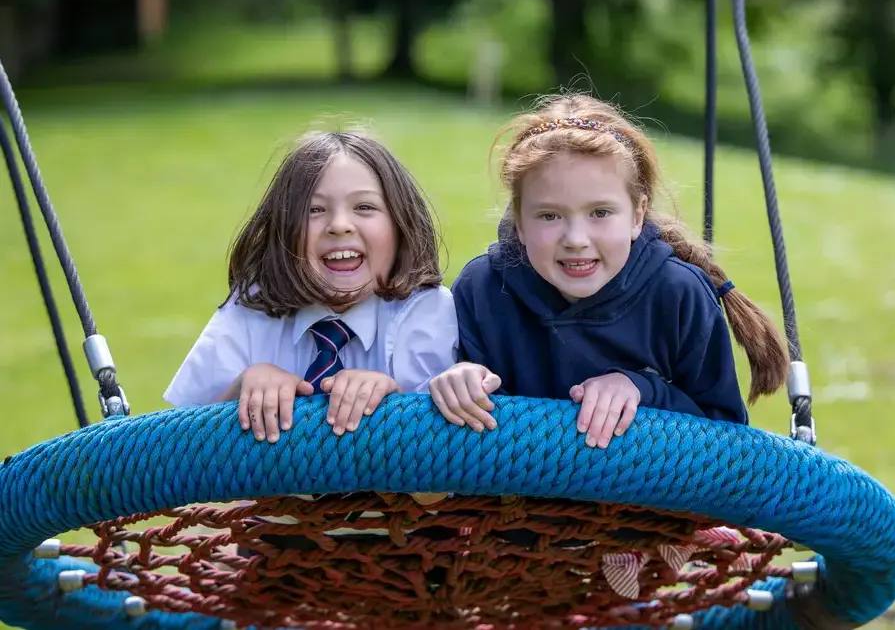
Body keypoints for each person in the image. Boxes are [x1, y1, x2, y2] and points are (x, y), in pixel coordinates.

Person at [429, 93, 790, 451]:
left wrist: (643, 389)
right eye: (549, 215)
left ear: (637, 215)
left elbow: (726, 440)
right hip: (511, 505)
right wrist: (459, 381)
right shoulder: (483, 289)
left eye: (600, 212)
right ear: (519, 222)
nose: (576, 239)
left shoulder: (679, 294)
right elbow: (456, 432)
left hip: (649, 505)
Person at [163, 129, 456, 544]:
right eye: (315, 210)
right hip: (276, 548)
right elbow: (183, 458)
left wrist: (395, 404)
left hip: (410, 547)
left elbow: (441, 484)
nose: (339, 226)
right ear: (284, 230)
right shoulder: (253, 307)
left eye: (365, 207)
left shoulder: (425, 309)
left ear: (400, 224)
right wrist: (241, 390)